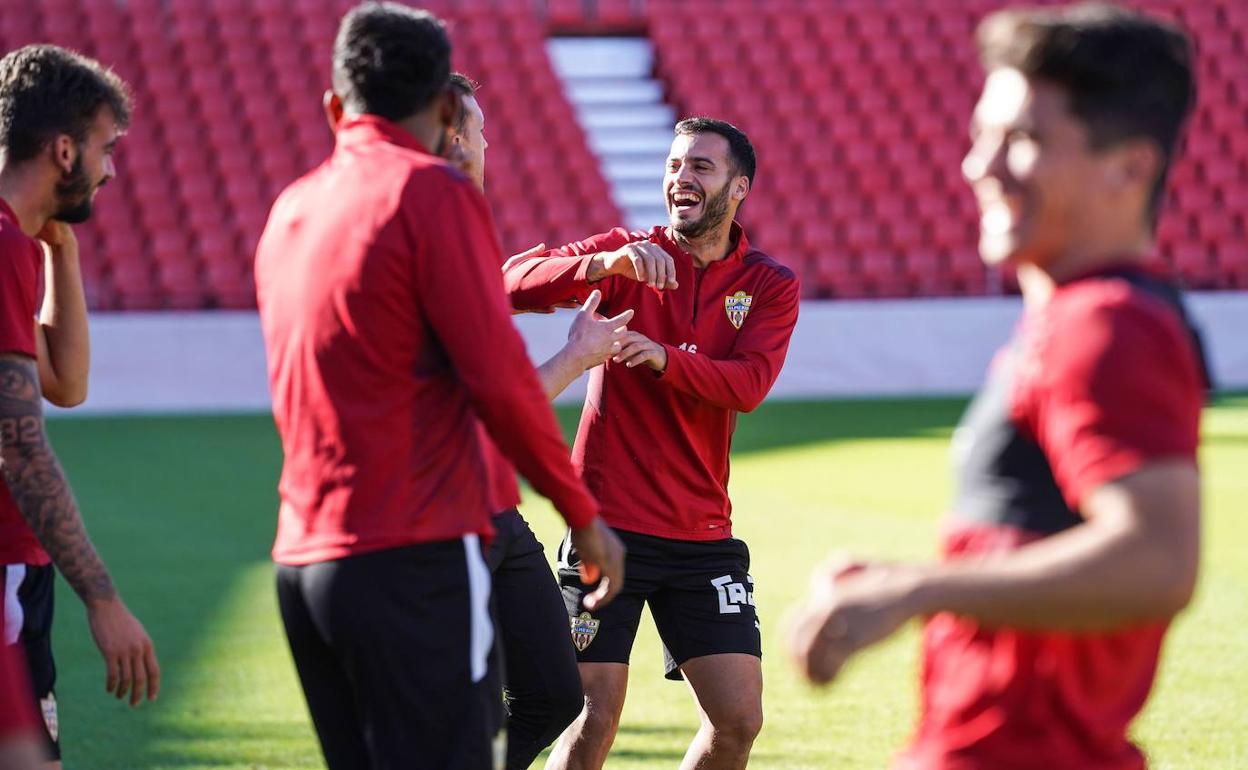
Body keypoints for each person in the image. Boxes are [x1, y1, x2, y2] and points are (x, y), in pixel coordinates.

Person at [786, 4, 1205, 769]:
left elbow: (1157, 558)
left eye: (1024, 140)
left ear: (1130, 168)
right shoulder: (1086, 314)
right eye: (984, 134)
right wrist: (906, 584)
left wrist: (919, 589)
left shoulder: (1107, 322)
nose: (980, 165)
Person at [254, 5, 625, 768]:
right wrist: (582, 516)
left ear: (336, 107)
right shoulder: (433, 195)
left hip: (304, 560)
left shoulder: (291, 208)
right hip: (416, 548)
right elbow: (497, 382)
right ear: (447, 109)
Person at [503, 117, 800, 770]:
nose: (680, 178)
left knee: (738, 721)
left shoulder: (770, 284)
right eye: (673, 166)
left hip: (702, 535)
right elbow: (510, 282)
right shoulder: (629, 254)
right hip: (606, 531)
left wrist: (660, 357)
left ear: (738, 187)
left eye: (700, 166)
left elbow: (747, 385)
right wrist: (599, 262)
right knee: (590, 719)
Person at [441, 72, 637, 770]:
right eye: (484, 130)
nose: (491, 145)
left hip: (499, 509)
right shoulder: (429, 238)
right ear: (457, 138)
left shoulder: (462, 231)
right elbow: (483, 408)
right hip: (443, 519)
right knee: (450, 707)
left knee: (554, 695)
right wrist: (578, 356)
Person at [0, 44, 160, 768]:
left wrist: (58, 250)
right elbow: (22, 442)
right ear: (63, 149)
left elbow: (66, 383)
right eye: (105, 148)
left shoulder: (20, 245)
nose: (112, 169)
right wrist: (102, 598)